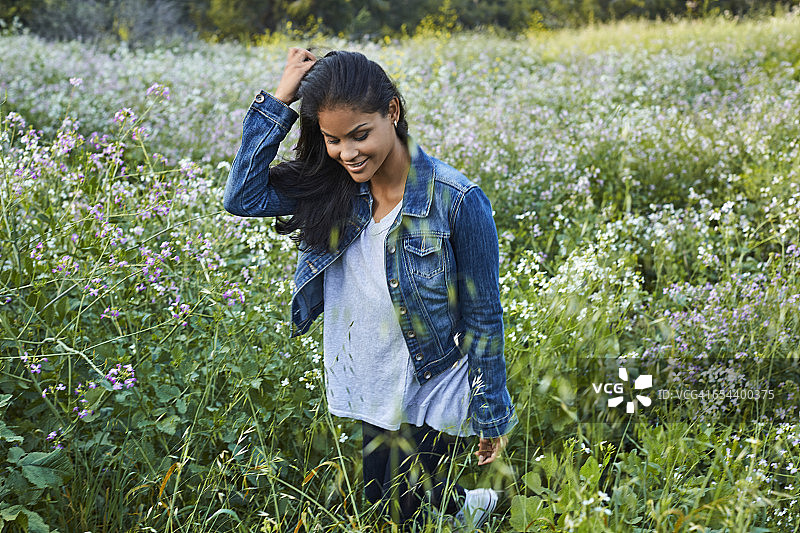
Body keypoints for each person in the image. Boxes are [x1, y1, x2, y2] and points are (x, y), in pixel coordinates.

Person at [223, 47, 517, 530]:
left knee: (404, 510)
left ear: (392, 113)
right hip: (368, 368)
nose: (348, 153)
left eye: (361, 135)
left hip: (432, 375)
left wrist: (491, 414)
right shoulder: (331, 186)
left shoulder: (458, 201)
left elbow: (485, 316)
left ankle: (464, 509)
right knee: (381, 495)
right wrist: (280, 100)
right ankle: (472, 506)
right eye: (333, 139)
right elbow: (242, 195)